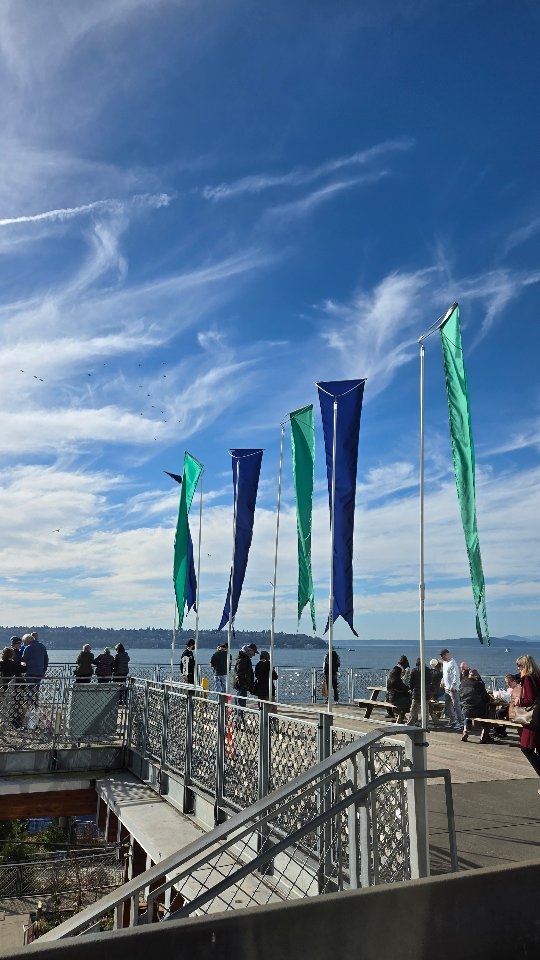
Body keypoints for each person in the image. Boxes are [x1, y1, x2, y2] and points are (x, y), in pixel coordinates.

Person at [515, 654, 540, 787]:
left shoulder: (528, 678)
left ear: (525, 666)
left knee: (526, 748)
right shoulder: (538, 675)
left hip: (533, 720)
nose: (518, 669)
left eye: (519, 666)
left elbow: (530, 699)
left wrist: (520, 701)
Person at [460, 668, 492, 742]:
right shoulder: (478, 684)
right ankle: (484, 735)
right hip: (479, 711)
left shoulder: (462, 683)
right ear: (476, 676)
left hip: (466, 710)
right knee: (488, 715)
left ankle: (465, 731)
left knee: (467, 716)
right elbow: (487, 698)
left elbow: (460, 697)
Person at [0, 647, 25, 728]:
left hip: (2, 687)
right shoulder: (14, 664)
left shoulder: (1, 663)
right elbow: (21, 671)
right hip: (13, 688)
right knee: (14, 704)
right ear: (12, 655)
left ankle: (2, 720)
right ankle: (13, 721)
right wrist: (23, 664)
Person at [440, 648, 464, 731]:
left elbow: (456, 674)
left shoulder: (452, 662)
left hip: (453, 688)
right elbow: (444, 674)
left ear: (446, 654)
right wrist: (442, 681)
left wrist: (453, 685)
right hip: (447, 688)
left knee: (456, 705)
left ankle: (461, 722)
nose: (442, 657)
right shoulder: (445, 663)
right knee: (448, 704)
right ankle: (453, 721)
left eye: (443, 656)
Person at [232, 643, 258, 719]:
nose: (254, 655)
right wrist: (244, 684)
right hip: (241, 685)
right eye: (254, 652)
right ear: (250, 650)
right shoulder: (244, 659)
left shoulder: (242, 657)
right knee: (241, 703)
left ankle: (238, 719)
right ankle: (240, 720)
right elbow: (240, 673)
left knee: (239, 701)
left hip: (240, 684)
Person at [408, 658, 430, 726]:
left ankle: (411, 722)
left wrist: (411, 689)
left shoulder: (414, 671)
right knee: (425, 709)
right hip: (426, 692)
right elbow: (429, 681)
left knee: (414, 709)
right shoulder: (428, 670)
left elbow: (411, 682)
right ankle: (425, 723)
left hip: (416, 692)